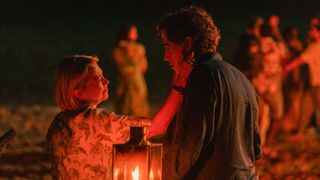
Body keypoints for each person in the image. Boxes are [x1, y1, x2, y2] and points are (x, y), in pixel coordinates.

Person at [147, 5, 262, 179]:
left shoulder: (201, 78)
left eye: (168, 46)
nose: (165, 56)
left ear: (187, 44)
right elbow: (256, 148)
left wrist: (157, 174)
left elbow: (186, 151)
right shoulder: (242, 79)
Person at [46, 55, 191, 179]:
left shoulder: (57, 123)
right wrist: (180, 84)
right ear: (79, 92)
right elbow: (157, 126)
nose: (106, 81)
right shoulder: (99, 122)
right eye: (98, 78)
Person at [284, 24, 320, 141]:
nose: (310, 32)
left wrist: (285, 68)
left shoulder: (315, 47)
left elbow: (300, 61)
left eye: (312, 30)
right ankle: (299, 133)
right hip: (313, 83)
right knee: (306, 107)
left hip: (317, 84)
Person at [112, 25, 151, 117]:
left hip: (136, 81)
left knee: (137, 104)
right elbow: (119, 65)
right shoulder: (119, 49)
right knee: (125, 104)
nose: (135, 34)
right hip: (125, 81)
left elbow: (144, 66)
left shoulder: (139, 48)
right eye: (133, 32)